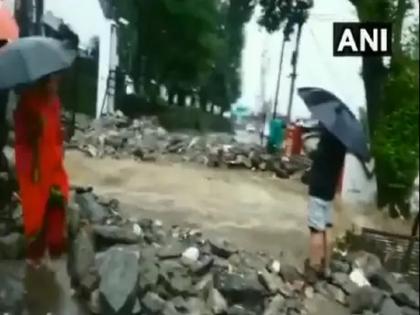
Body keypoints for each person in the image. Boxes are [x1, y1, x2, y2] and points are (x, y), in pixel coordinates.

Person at [14, 74, 69, 267]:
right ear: (45, 80)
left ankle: (55, 249)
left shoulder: (54, 101)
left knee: (58, 199)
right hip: (33, 165)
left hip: (52, 162)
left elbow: (55, 133)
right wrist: (32, 129)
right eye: (54, 80)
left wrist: (62, 137)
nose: (57, 83)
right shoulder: (27, 101)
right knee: (35, 211)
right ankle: (34, 257)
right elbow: (21, 135)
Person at [304, 125, 346, 284]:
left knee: (316, 230)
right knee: (327, 228)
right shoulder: (342, 144)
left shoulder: (326, 139)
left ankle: (314, 268)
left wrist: (311, 152)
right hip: (330, 190)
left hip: (318, 189)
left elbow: (318, 155)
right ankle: (326, 268)